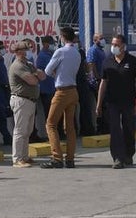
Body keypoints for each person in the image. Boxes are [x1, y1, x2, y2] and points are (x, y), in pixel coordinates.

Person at [97, 35, 136, 169]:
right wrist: (99, 103)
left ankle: (129, 154)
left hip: (128, 101)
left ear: (123, 46)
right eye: (112, 44)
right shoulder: (107, 62)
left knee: (129, 128)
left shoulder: (132, 61)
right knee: (115, 129)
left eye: (116, 44)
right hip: (112, 102)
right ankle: (117, 157)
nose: (113, 47)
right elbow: (103, 83)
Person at [41, 26, 81, 169]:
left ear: (63, 37)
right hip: (73, 91)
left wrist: (56, 74)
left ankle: (57, 158)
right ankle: (70, 159)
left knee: (50, 124)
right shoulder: (77, 53)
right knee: (69, 127)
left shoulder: (60, 51)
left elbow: (47, 70)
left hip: (61, 91)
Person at [7, 39, 44, 167]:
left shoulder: (28, 64)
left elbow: (42, 76)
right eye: (23, 50)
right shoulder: (18, 65)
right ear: (17, 52)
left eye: (26, 50)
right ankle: (17, 159)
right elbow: (33, 81)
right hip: (21, 99)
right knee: (20, 130)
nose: (25, 53)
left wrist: (35, 73)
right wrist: (35, 74)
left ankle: (24, 156)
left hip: (30, 100)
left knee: (27, 131)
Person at [85, 33, 108, 134]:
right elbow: (91, 64)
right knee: (100, 104)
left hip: (103, 79)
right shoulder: (93, 50)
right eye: (101, 39)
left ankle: (105, 125)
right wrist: (97, 77)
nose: (103, 40)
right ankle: (100, 127)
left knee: (104, 104)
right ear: (95, 40)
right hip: (97, 81)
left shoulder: (101, 50)